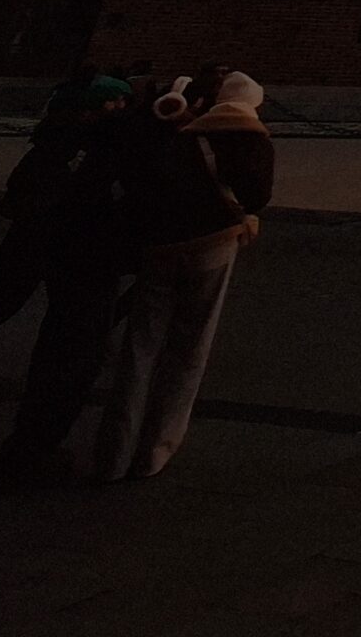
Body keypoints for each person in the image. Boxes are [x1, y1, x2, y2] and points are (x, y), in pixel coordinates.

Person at [94, 69, 274, 482]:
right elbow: (257, 197)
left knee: (139, 348)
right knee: (190, 349)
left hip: (161, 246)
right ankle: (156, 450)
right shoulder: (252, 139)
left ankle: (113, 452)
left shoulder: (185, 133)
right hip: (213, 246)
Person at [0, 77, 134, 491]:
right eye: (114, 103)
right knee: (68, 362)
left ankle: (31, 448)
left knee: (64, 354)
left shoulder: (66, 146)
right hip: (82, 265)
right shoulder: (76, 156)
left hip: (71, 265)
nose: (119, 110)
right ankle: (29, 454)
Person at [0, 80, 122, 392]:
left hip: (49, 237)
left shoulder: (74, 141)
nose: (119, 107)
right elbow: (31, 191)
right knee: (14, 303)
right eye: (113, 101)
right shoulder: (63, 144)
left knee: (46, 306)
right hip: (40, 237)